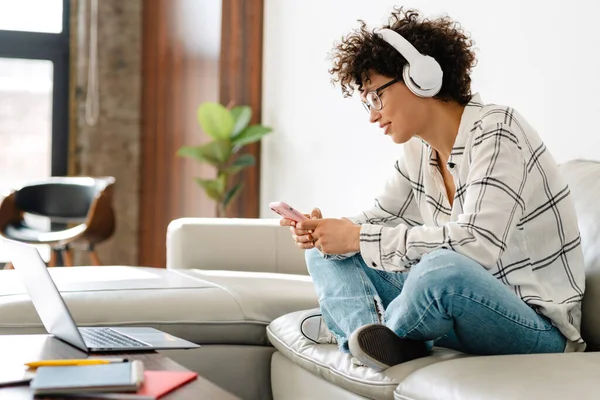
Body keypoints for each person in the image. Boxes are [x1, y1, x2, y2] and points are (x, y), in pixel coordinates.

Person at [279, 7, 586, 372]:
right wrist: (329, 230)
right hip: (462, 314)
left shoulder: (498, 131)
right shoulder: (419, 150)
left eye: (376, 96)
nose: (372, 115)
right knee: (325, 253)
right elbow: (380, 217)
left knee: (442, 268)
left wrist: (358, 237)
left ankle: (387, 332)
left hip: (537, 329)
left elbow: (478, 245)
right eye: (366, 102)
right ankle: (372, 342)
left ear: (420, 77)